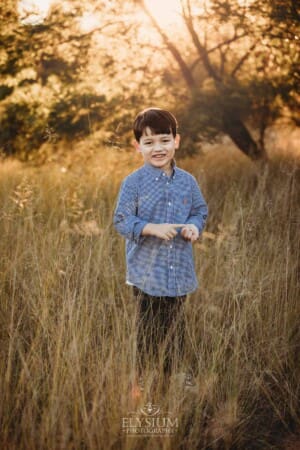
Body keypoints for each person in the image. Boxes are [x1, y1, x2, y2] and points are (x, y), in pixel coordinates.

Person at [113, 107, 208, 394]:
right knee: (148, 329)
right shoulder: (133, 183)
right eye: (149, 142)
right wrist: (151, 228)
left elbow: (199, 211)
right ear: (137, 146)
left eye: (164, 140)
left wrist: (194, 227)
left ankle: (177, 375)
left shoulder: (187, 181)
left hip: (178, 270)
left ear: (176, 141)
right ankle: (142, 379)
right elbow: (122, 220)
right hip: (145, 273)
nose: (158, 148)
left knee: (176, 327)